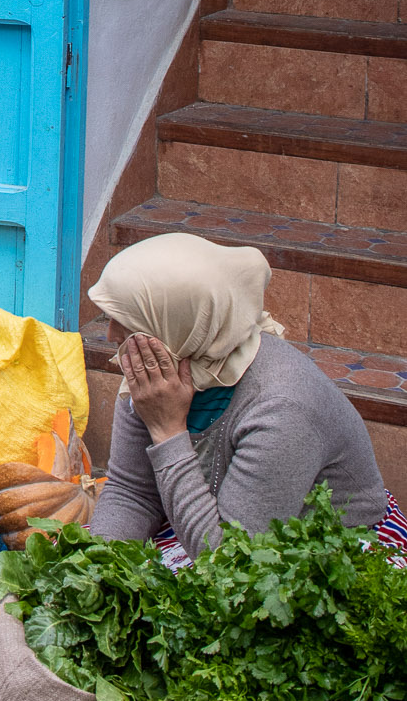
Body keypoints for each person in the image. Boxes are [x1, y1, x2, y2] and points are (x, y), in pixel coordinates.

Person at [89, 233, 406, 561]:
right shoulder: (160, 368)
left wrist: (167, 430)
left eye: (126, 322)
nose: (112, 334)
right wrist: (96, 570)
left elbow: (230, 564)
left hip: (327, 552)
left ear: (176, 321)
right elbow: (132, 492)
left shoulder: (281, 406)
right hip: (217, 527)